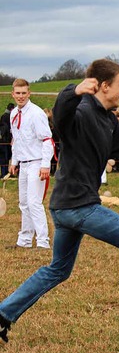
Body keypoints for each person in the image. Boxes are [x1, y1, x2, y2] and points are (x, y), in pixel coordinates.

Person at [0, 59, 119, 344]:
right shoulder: (80, 111)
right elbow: (61, 115)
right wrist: (73, 90)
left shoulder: (106, 120)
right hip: (78, 205)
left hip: (67, 205)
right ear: (104, 86)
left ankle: (3, 315)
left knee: (58, 269)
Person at [8, 78, 55, 249]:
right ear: (13, 94)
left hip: (36, 163)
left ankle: (43, 242)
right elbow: (17, 140)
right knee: (23, 202)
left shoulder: (36, 113)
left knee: (34, 202)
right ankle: (25, 240)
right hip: (24, 163)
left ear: (29, 93)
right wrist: (14, 161)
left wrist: (45, 165)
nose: (20, 96)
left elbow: (47, 140)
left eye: (23, 93)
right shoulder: (14, 114)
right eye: (17, 93)